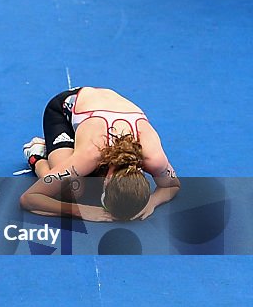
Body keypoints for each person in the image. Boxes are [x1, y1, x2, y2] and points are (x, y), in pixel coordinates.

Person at [20, 86, 180, 221]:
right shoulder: (90, 154)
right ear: (108, 179)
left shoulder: (154, 158)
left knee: (83, 177)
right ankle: (37, 155)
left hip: (102, 111)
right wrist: (79, 210)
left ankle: (73, 151)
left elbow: (173, 185)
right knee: (72, 191)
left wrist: (152, 201)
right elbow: (30, 198)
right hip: (65, 109)